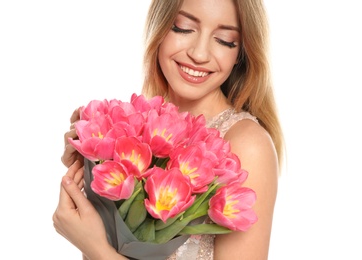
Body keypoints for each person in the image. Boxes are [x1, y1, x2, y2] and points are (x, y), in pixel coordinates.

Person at [52, 0, 284, 259]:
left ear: (240, 52)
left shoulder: (247, 145)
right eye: (183, 28)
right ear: (160, 27)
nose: (199, 54)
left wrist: (94, 247)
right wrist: (89, 168)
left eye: (225, 40)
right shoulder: (138, 129)